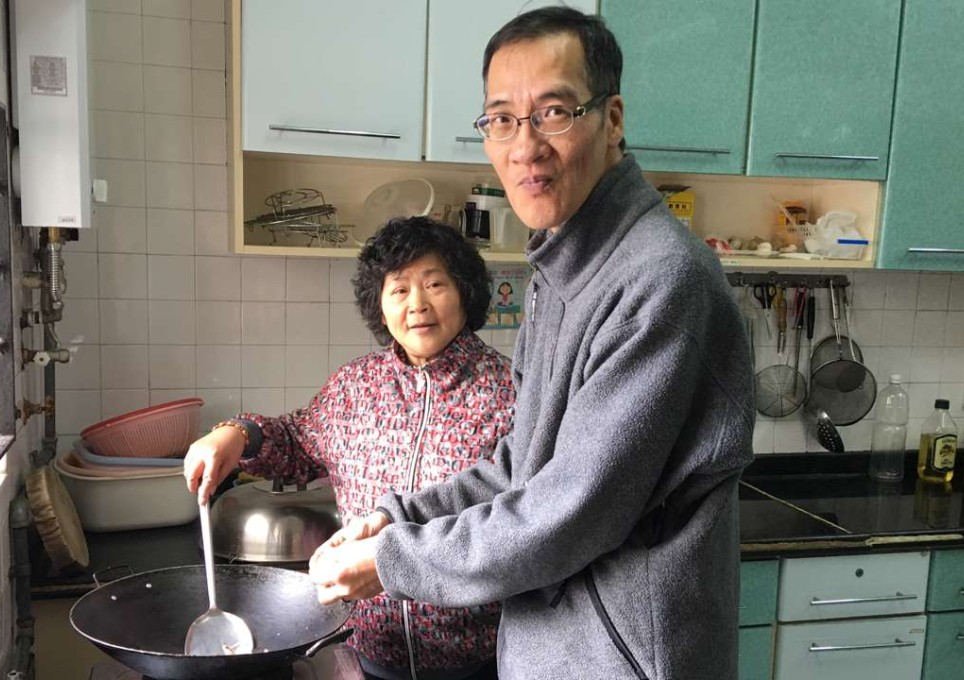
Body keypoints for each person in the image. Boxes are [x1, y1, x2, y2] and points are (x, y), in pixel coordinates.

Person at [308, 7, 755, 680]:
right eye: (502, 119)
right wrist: (394, 521)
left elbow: (570, 513)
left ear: (612, 119)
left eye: (553, 112)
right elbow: (523, 466)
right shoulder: (561, 268)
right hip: (554, 653)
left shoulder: (662, 279)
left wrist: (393, 561)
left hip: (624, 664)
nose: (525, 146)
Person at [183, 216, 514, 680]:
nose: (417, 304)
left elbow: (526, 519)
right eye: (399, 290)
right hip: (367, 650)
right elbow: (295, 439)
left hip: (485, 656)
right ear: (379, 305)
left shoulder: (510, 390)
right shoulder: (355, 386)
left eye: (435, 284)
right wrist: (236, 433)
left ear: (464, 291)